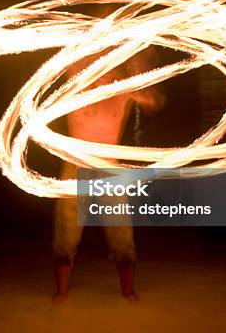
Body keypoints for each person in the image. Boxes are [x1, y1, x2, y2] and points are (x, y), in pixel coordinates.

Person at [52, 34, 164, 304]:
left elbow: (155, 101)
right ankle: (61, 293)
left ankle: (127, 290)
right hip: (75, 163)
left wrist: (147, 89)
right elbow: (62, 57)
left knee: (121, 232)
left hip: (109, 168)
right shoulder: (76, 78)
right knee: (66, 233)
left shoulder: (124, 85)